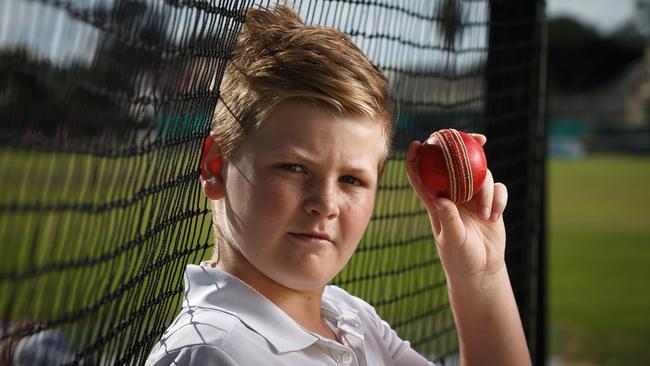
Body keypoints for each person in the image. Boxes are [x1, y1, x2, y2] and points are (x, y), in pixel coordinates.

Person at [146, 4, 531, 366]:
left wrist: (481, 277)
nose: (325, 203)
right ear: (216, 166)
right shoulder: (215, 351)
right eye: (293, 168)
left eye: (351, 179)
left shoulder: (351, 320)